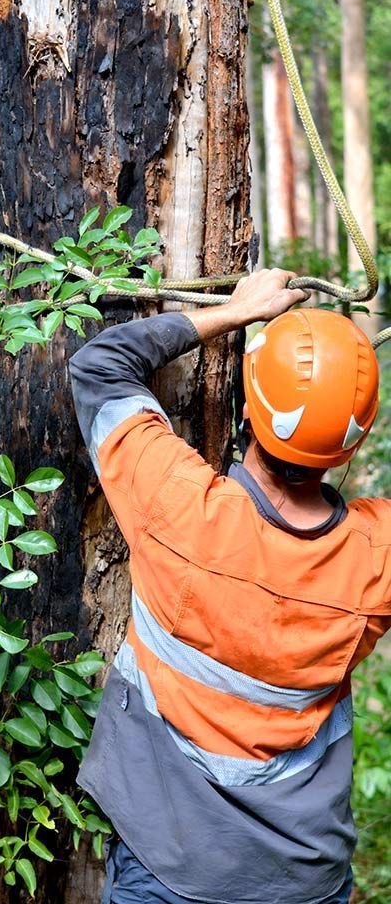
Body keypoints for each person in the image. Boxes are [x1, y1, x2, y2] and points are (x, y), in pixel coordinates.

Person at [68, 268, 389, 904]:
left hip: (166, 866)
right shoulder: (375, 557)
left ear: (248, 409)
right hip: (306, 878)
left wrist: (238, 312)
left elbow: (101, 365)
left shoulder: (182, 511)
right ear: (354, 439)